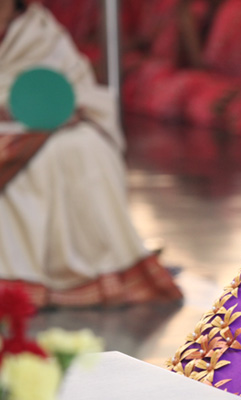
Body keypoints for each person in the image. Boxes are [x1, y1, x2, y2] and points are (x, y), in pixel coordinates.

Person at [0, 1, 183, 307]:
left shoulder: (40, 30)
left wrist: (64, 109)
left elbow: (76, 85)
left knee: (85, 146)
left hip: (43, 126)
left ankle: (87, 275)